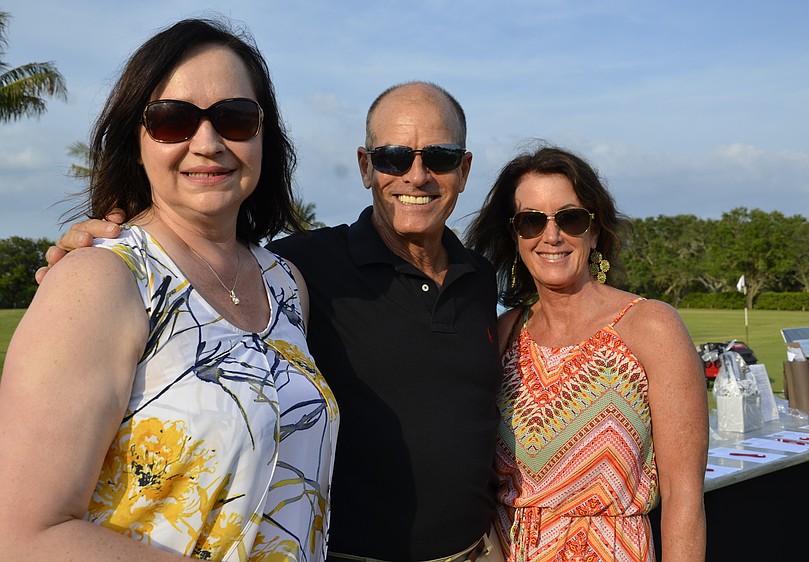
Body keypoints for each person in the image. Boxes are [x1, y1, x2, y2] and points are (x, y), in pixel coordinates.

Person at [35, 81, 504, 562]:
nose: (417, 175)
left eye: (441, 157)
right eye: (393, 158)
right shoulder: (300, 268)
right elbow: (199, 265)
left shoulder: (480, 277)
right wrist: (95, 257)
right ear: (366, 166)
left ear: (464, 171)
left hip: (477, 550)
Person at [0, 18, 338, 561]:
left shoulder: (285, 283)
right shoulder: (101, 280)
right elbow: (22, 535)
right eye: (172, 121)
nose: (207, 143)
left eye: (234, 118)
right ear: (136, 143)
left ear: (262, 136)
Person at [465, 145, 708, 561]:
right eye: (531, 221)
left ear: (595, 231)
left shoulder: (651, 327)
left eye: (570, 218)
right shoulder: (504, 334)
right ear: (515, 235)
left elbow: (684, 497)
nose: (552, 235)